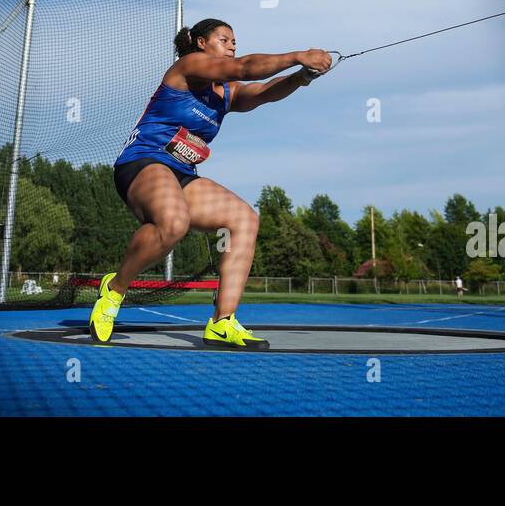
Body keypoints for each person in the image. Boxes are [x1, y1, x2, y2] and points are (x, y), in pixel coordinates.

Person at [91, 18, 331, 348]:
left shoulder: (226, 94)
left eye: (235, 40)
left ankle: (222, 322)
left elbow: (262, 91)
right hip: (143, 162)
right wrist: (299, 55)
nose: (233, 46)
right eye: (224, 39)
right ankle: (114, 289)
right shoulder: (189, 67)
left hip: (182, 175)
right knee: (174, 222)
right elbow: (247, 68)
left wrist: (302, 77)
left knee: (243, 219)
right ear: (202, 43)